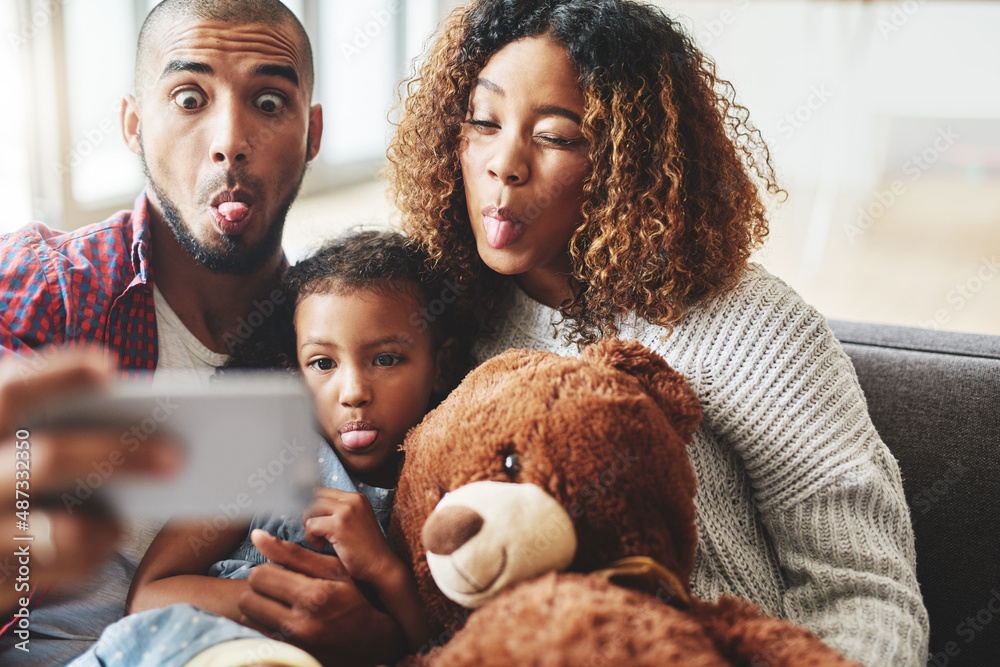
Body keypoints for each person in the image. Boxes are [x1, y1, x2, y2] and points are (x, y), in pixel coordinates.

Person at [386, 1, 929, 665]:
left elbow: (867, 591)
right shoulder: (442, 320)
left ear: (628, 158)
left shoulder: (748, 325)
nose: (506, 164)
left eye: (557, 136)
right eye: (482, 123)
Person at [0, 1, 402, 663]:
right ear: (133, 124)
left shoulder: (337, 349)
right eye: (189, 97)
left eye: (270, 102)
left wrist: (379, 637)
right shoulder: (47, 291)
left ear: (312, 133)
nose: (230, 140)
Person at [71, 231, 469, 666]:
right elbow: (148, 597)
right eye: (322, 364)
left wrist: (384, 570)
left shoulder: (444, 487)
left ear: (440, 366)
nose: (353, 392)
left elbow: (445, 651)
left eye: (386, 359)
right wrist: (289, 603)